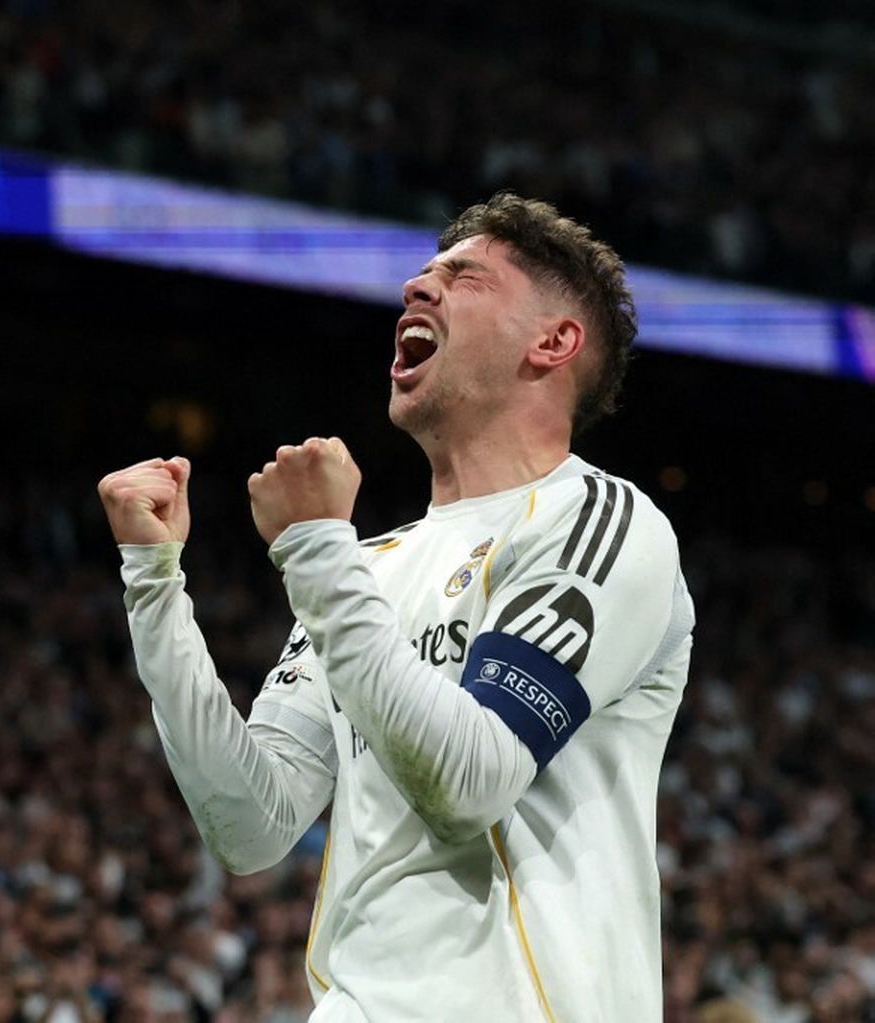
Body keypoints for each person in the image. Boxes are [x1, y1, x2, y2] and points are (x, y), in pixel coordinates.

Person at [97, 192, 694, 1022]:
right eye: (422, 273)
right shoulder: (366, 568)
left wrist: (315, 548)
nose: (417, 287)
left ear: (553, 342)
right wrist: (154, 582)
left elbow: (473, 781)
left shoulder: (600, 521)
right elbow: (252, 822)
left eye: (465, 277)